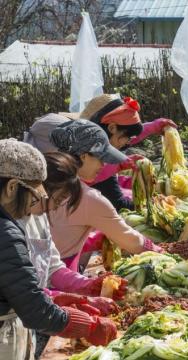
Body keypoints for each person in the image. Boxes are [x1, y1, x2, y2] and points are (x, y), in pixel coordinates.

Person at [0, 139, 117, 359]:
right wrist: (88, 327)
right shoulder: (6, 232)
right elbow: (35, 310)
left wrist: (57, 297)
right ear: (12, 188)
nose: (33, 207)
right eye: (35, 197)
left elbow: (15, 288)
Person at [45, 119, 163, 272]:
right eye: (101, 158)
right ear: (83, 156)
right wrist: (162, 252)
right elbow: (131, 240)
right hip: (58, 279)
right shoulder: (88, 198)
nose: (103, 165)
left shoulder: (44, 181)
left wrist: (94, 239)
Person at [24, 93, 176, 211]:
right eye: (126, 138)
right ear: (110, 128)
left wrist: (155, 127)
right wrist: (119, 166)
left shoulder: (101, 137)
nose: (127, 143)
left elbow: (124, 138)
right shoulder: (72, 138)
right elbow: (90, 177)